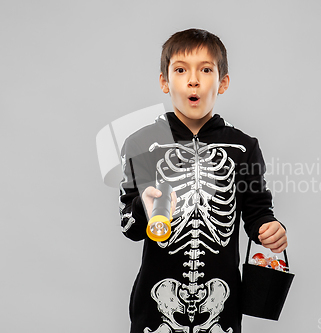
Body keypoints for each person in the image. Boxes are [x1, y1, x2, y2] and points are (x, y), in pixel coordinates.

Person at [119, 28, 288, 333]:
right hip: (156, 312)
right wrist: (145, 206)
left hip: (221, 309)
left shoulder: (243, 147)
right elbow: (129, 227)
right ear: (164, 81)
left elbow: (257, 210)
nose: (193, 80)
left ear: (222, 83)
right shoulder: (142, 145)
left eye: (206, 70)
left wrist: (269, 228)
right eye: (181, 70)